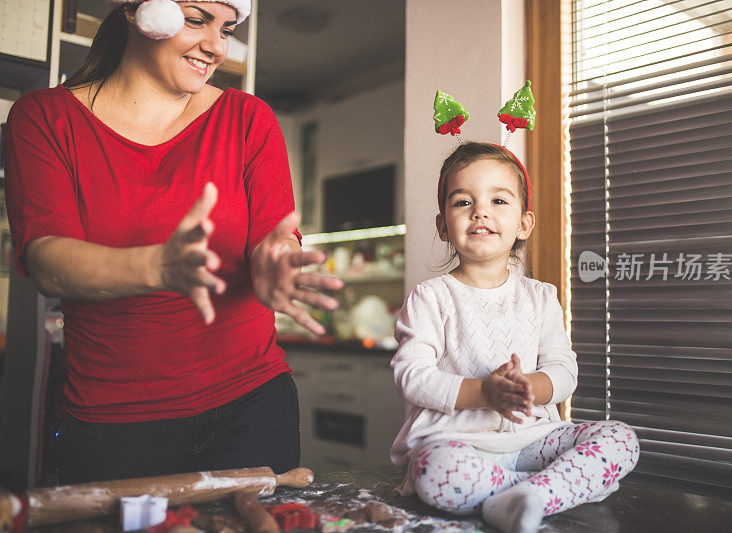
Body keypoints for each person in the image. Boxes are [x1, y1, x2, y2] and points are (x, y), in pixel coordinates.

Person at [3, 0, 342, 484]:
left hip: (254, 403)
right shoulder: (45, 117)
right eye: (197, 19)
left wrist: (276, 260)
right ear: (137, 12)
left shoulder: (248, 118)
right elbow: (47, 259)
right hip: (115, 421)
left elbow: (276, 232)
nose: (216, 47)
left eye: (226, 28)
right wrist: (158, 268)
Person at [390, 142, 640, 532]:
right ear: (443, 226)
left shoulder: (541, 297)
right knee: (432, 470)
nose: (481, 211)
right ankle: (543, 492)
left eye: (499, 200)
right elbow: (411, 377)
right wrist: (485, 394)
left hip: (532, 441)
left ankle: (524, 495)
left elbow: (563, 370)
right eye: (462, 202)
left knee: (621, 439)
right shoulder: (430, 297)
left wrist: (529, 387)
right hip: (457, 444)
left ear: (524, 224)